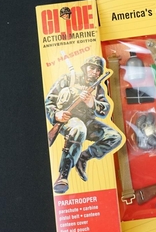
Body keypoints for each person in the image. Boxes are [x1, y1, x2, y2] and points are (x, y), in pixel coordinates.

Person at [45, 56, 122, 194]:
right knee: (78, 128)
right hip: (68, 121)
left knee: (115, 136)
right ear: (85, 68)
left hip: (88, 124)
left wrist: (93, 103)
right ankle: (63, 175)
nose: (95, 72)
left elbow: (105, 109)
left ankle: (83, 157)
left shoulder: (97, 88)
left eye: (98, 70)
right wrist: (56, 114)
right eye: (92, 68)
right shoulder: (69, 79)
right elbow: (49, 101)